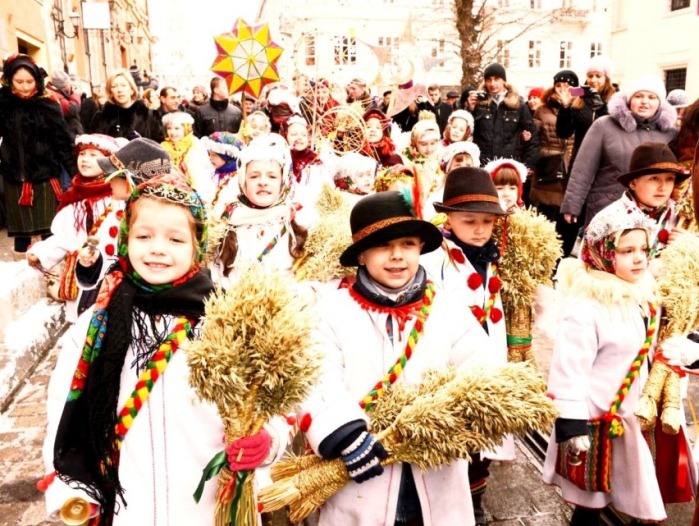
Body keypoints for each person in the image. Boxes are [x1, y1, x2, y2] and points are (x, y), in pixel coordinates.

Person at [42, 174, 285, 525]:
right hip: (128, 508)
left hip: (210, 506)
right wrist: (74, 491)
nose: (157, 248)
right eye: (144, 236)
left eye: (175, 239)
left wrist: (270, 440)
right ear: (126, 240)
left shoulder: (228, 321)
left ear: (196, 248)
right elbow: (63, 408)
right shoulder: (96, 326)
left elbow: (270, 401)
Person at [297, 190, 493, 526]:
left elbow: (479, 364)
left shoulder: (446, 307)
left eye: (407, 244)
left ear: (420, 248)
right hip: (361, 467)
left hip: (435, 468)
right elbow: (317, 376)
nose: (397, 256)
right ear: (361, 256)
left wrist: (458, 419)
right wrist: (344, 433)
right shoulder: (333, 312)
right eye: (383, 246)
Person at [543, 205, 695, 525]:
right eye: (627, 251)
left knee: (638, 491)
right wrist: (572, 423)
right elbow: (569, 367)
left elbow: (654, 343)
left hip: (636, 414)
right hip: (600, 417)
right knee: (592, 497)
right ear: (602, 253)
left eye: (643, 248)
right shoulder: (587, 305)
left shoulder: (645, 293)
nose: (639, 258)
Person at [421, 168, 513, 525]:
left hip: (490, 361)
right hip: (451, 366)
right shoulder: (433, 261)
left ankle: (476, 500)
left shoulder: (491, 257)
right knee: (455, 441)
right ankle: (448, 508)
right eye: (469, 220)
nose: (479, 229)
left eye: (487, 222)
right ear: (448, 218)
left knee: (483, 441)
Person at [560, 75, 678, 228]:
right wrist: (572, 205)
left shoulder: (670, 134)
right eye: (639, 96)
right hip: (606, 208)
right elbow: (583, 169)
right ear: (629, 99)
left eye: (652, 97)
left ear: (660, 103)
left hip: (653, 214)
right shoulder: (605, 125)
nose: (644, 101)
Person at [26, 134, 119, 322]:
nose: (85, 159)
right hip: (83, 274)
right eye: (82, 154)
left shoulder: (118, 195)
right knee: (83, 325)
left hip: (113, 274)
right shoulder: (73, 198)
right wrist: (41, 253)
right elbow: (63, 237)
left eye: (94, 155)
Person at [0, 54, 78, 256]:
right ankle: (24, 278)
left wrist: (76, 174)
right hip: (13, 177)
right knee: (21, 237)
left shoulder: (48, 103)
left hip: (44, 177)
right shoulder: (3, 103)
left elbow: (63, 142)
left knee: (50, 233)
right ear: (9, 80)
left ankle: (52, 280)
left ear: (37, 80)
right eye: (19, 82)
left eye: (29, 81)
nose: (25, 87)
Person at [212, 133, 307, 288]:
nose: (263, 182)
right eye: (254, 176)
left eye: (272, 177)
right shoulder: (225, 223)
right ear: (244, 182)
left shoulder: (299, 221)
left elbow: (315, 276)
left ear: (283, 182)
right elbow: (215, 272)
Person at [594, 142, 690, 262]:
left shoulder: (681, 217)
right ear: (633, 183)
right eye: (654, 178)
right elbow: (588, 268)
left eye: (670, 179)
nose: (663, 187)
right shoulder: (609, 219)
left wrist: (690, 246)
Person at [467, 63, 539, 173]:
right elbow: (467, 133)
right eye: (489, 80)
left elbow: (532, 137)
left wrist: (529, 164)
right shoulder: (479, 104)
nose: (492, 83)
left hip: (509, 165)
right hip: (482, 165)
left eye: (496, 79)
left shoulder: (518, 105)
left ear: (504, 81)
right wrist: (470, 110)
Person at [530, 70, 577, 223]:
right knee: (545, 214)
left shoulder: (580, 109)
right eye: (558, 85)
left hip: (570, 164)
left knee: (565, 216)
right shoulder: (543, 110)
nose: (563, 89)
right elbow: (534, 139)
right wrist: (533, 160)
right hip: (548, 165)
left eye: (568, 85)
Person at [160, 111, 215, 204]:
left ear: (186, 129)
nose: (172, 132)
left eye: (177, 128)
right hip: (171, 191)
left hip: (194, 192)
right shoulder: (164, 146)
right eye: (169, 128)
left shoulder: (195, 145)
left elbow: (202, 172)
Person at [90, 69, 161, 140]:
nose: (119, 90)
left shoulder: (148, 116)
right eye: (114, 86)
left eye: (123, 85)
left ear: (132, 90)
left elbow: (157, 146)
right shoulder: (101, 118)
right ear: (110, 93)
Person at [46, 70, 83, 138]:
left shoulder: (57, 93)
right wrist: (76, 95)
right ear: (64, 86)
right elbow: (71, 109)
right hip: (67, 137)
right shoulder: (54, 95)